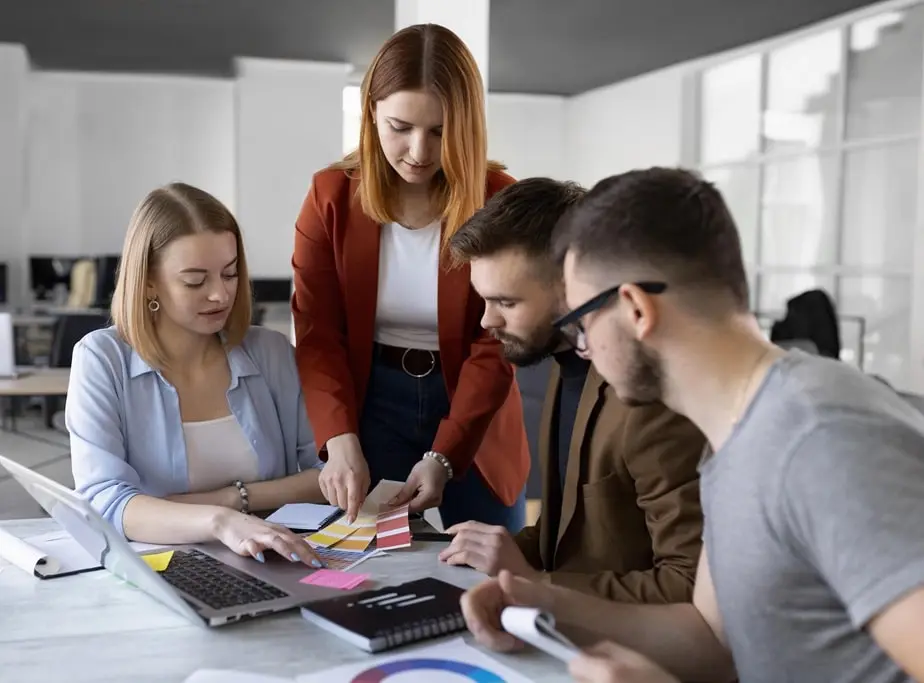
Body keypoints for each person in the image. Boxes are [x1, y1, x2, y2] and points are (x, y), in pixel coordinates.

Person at [460, 168, 924, 683]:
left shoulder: (824, 440)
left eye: (582, 321)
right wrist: (539, 599)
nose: (582, 346)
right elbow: (709, 636)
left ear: (635, 309)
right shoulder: (733, 434)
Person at [291, 23, 529, 531]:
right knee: (371, 579)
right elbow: (317, 333)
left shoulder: (500, 197)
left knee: (493, 574)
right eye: (400, 127)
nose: (419, 151)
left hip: (476, 413)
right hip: (370, 406)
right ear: (370, 113)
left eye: (440, 131)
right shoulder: (329, 197)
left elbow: (496, 341)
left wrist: (445, 454)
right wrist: (338, 438)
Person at [442, 177, 706, 603]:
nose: (486, 322)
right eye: (484, 301)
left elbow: (690, 586)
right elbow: (569, 534)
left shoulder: (647, 401)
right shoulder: (565, 367)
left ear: (572, 288)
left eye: (506, 303)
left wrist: (533, 583)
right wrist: (495, 551)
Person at [67, 183, 324, 567]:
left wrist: (233, 499)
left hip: (270, 560)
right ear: (149, 280)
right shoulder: (102, 359)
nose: (220, 295)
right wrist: (220, 521)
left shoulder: (270, 353)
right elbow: (105, 500)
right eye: (195, 280)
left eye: (230, 273)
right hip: (157, 567)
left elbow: (327, 476)